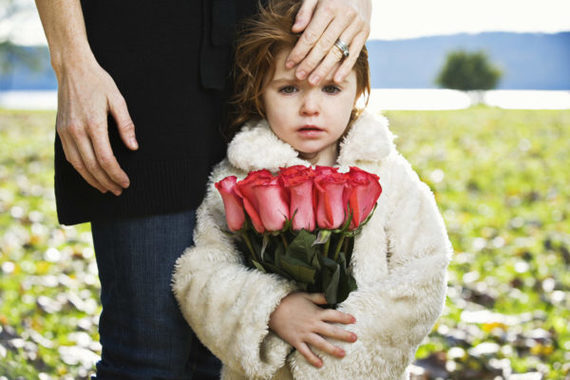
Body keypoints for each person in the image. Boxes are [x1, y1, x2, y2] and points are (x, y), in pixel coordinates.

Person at [34, 0, 372, 378]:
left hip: (281, 45)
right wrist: (72, 62)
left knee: (244, 360)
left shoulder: (309, 107)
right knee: (148, 357)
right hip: (138, 66)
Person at [172, 1, 452, 379]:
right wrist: (273, 308)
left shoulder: (388, 174)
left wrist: (337, 344)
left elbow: (425, 270)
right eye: (288, 88)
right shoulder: (236, 178)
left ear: (358, 90)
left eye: (332, 88)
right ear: (260, 93)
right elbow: (198, 274)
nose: (310, 107)